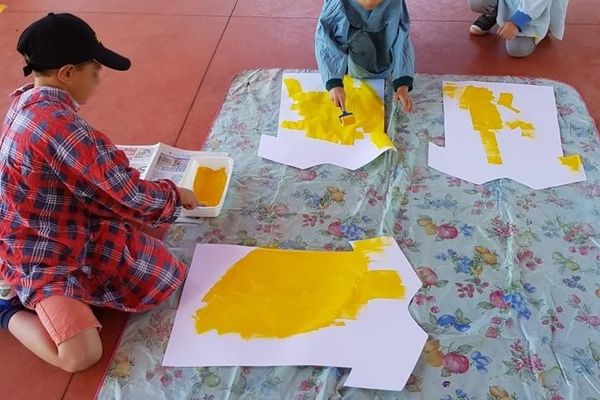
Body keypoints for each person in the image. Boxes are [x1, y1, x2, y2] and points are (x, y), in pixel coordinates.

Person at [0, 13, 198, 372]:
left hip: (66, 226)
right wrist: (173, 195)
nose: (99, 79)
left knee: (162, 273)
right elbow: (125, 194)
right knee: (80, 355)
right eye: (94, 71)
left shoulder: (30, 100)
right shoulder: (59, 126)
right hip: (36, 250)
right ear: (67, 74)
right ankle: (7, 310)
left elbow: (97, 180)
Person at [315, 0, 415, 113]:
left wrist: (402, 83)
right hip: (353, 59)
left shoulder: (394, 3)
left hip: (385, 62)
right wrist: (334, 82)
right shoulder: (338, 3)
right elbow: (327, 39)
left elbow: (401, 39)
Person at [468, 0, 569, 58]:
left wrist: (517, 22)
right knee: (478, 2)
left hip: (535, 8)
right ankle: (494, 13)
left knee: (517, 50)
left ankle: (542, 28)